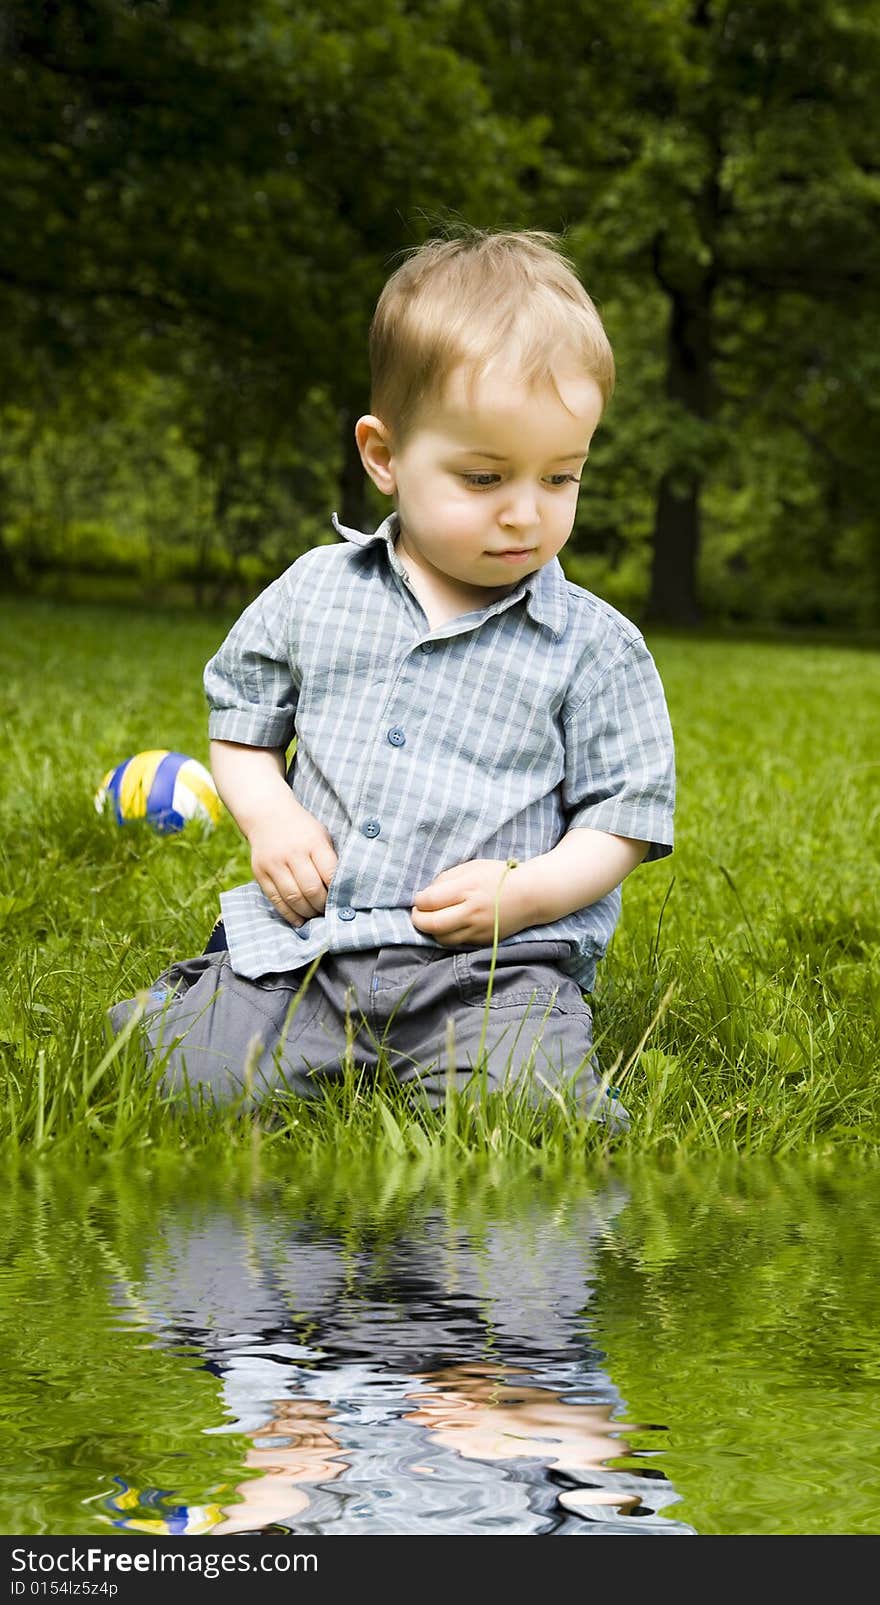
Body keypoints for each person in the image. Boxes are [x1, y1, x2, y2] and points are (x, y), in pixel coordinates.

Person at [108, 227, 675, 1129]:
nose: (526, 512)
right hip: (310, 945)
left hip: (492, 969)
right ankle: (202, 1008)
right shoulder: (315, 593)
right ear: (384, 455)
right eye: (483, 476)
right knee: (183, 1080)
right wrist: (271, 815)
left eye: (562, 477)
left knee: (534, 1116)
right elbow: (243, 720)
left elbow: (625, 821)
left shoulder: (595, 648)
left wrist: (524, 893)